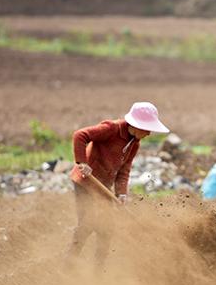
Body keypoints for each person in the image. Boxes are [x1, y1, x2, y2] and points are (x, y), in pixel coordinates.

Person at [68, 102, 170, 267]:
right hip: (85, 182)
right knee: (87, 223)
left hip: (103, 187)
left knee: (107, 230)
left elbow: (124, 169)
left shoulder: (134, 143)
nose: (149, 133)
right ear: (136, 125)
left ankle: (98, 270)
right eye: (147, 129)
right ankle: (70, 263)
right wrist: (82, 162)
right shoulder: (111, 128)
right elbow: (80, 135)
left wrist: (121, 193)